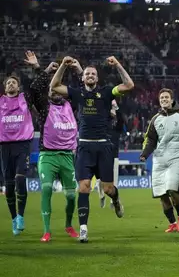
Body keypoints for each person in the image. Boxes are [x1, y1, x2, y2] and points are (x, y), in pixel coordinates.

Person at [50, 55, 134, 243]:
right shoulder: (77, 93)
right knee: (84, 187)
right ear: (82, 77)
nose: (89, 76)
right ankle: (83, 229)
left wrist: (119, 65)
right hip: (85, 146)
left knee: (108, 188)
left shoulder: (106, 92)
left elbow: (129, 85)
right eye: (87, 73)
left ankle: (116, 199)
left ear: (97, 78)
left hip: (104, 146)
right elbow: (54, 86)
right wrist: (63, 65)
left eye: (93, 74)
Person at [28, 55, 80, 242]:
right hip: (48, 155)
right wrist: (41, 70)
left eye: (59, 89)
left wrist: (76, 69)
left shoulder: (70, 105)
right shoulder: (44, 107)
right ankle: (47, 230)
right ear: (48, 92)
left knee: (72, 197)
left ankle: (68, 225)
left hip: (67, 156)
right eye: (52, 89)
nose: (56, 92)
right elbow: (34, 90)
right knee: (47, 189)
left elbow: (84, 91)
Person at [140, 89, 179, 233]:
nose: (164, 99)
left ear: (171, 100)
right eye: (161, 97)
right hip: (159, 158)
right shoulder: (155, 119)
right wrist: (145, 154)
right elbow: (151, 139)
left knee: (172, 189)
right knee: (161, 193)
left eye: (166, 97)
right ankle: (172, 223)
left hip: (178, 156)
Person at [0, 50, 45, 235]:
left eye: (14, 82)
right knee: (9, 186)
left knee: (20, 181)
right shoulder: (0, 102)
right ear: (5, 88)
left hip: (22, 146)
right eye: (8, 82)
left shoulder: (25, 98)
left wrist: (36, 66)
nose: (11, 84)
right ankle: (13, 218)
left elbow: (41, 83)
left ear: (18, 88)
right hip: (4, 147)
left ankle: (20, 216)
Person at [98, 100, 125, 209]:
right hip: (103, 156)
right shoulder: (104, 127)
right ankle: (101, 196)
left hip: (114, 157)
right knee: (100, 181)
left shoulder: (117, 129)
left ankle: (112, 201)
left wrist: (116, 108)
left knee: (115, 181)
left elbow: (121, 120)